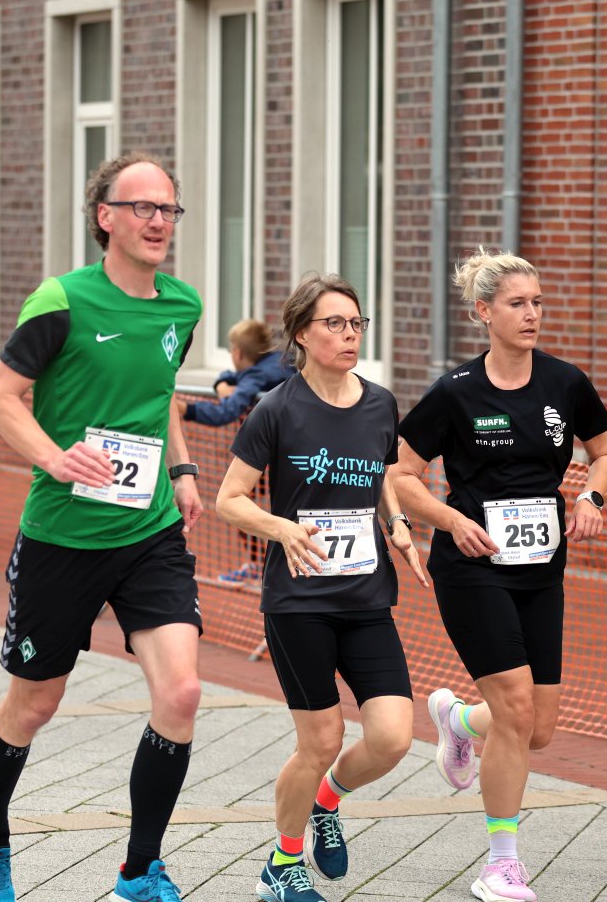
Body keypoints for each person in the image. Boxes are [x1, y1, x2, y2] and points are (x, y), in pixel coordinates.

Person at [0, 152, 204, 902]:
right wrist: (54, 458)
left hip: (149, 532)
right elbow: (1, 396)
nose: (159, 222)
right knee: (34, 705)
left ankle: (140, 869)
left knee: (182, 693)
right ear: (106, 216)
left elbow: (160, 394)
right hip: (63, 536)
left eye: (168, 209)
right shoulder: (60, 300)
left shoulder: (182, 306)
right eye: (144, 208)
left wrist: (182, 469)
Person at [388, 247, 607, 902]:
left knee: (536, 728)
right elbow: (401, 475)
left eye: (537, 302)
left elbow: (604, 453)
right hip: (472, 567)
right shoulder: (455, 392)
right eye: (517, 303)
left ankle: (460, 722)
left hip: (541, 569)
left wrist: (592, 497)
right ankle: (501, 863)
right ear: (484, 312)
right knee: (515, 710)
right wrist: (450, 520)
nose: (531, 314)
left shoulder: (565, 383)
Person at [214, 274, 424, 902]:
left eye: (356, 323)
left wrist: (398, 525)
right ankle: (282, 865)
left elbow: (382, 474)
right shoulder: (277, 408)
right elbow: (230, 499)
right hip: (299, 603)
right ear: (302, 334)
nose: (349, 334)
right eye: (335, 323)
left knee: (392, 737)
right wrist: (281, 527)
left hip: (366, 599)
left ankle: (327, 800)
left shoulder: (380, 403)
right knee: (321, 740)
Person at [181, 318, 292, 583]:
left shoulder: (256, 377)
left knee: (237, 503)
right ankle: (269, 564)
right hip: (292, 452)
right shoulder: (281, 364)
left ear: (238, 353)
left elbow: (227, 411)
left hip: (270, 458)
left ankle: (262, 565)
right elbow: (235, 376)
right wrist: (221, 383)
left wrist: (187, 409)